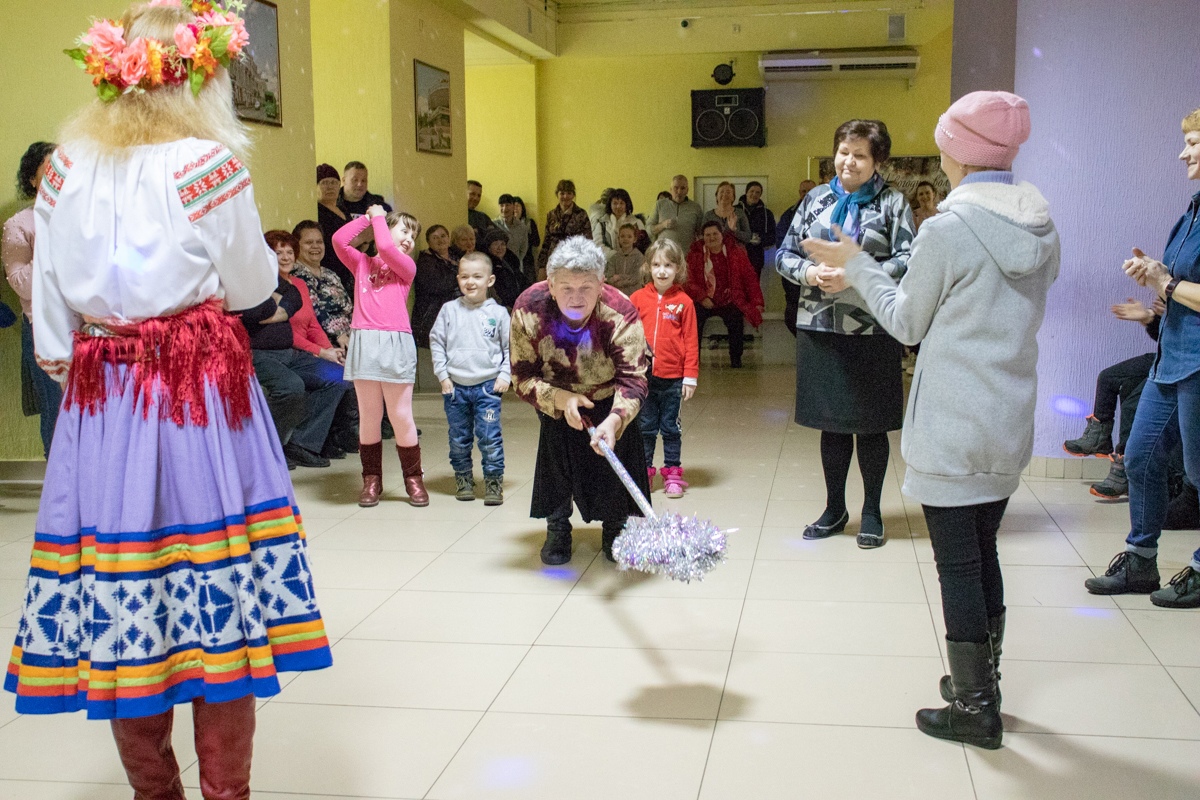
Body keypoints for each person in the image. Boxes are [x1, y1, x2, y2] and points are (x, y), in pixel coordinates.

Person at [2, 5, 333, 797]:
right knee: (221, 599)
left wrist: (88, 366)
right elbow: (252, 286)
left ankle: (156, 791)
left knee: (127, 604)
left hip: (104, 398)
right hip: (198, 393)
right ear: (199, 79)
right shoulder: (206, 165)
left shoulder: (64, 169)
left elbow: (50, 308)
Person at [803, 90, 1057, 750]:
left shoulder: (948, 230)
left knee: (959, 567)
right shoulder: (1040, 226)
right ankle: (983, 681)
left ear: (958, 152)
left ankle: (976, 708)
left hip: (953, 420)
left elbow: (907, 322)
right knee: (982, 549)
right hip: (1007, 416)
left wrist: (856, 265)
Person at [776, 119, 915, 549]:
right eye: (843, 152)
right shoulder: (816, 199)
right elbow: (783, 254)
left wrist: (856, 273)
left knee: (871, 426)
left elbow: (910, 259)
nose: (848, 162)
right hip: (820, 327)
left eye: (859, 155)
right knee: (832, 424)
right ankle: (834, 508)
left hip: (873, 328)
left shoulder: (892, 203)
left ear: (877, 161)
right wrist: (809, 272)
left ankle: (872, 511)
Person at [1084, 107, 1200, 609]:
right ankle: (1140, 561)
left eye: (1193, 143)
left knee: (1199, 475)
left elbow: (1177, 286)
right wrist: (1155, 294)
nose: (1183, 153)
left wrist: (1165, 281)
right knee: (1140, 458)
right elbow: (1178, 292)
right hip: (1171, 359)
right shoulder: (1191, 211)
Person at [511, 236, 651, 565]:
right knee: (556, 458)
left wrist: (615, 421)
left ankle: (615, 527)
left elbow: (634, 379)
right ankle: (557, 527)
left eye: (586, 287)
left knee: (614, 458)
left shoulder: (621, 312)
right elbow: (521, 377)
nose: (576, 297)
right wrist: (561, 399)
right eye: (566, 288)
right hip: (554, 395)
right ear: (551, 284)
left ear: (601, 284)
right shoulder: (528, 307)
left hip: (609, 395)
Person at [334, 206, 427, 507]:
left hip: (395, 343)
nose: (410, 239)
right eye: (404, 230)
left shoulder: (406, 266)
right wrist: (367, 218)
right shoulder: (361, 263)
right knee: (369, 416)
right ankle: (371, 480)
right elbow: (338, 240)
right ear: (385, 229)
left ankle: (414, 479)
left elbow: (386, 247)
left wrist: (377, 218)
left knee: (400, 415)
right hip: (365, 342)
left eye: (414, 235)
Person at [243, 232, 349, 469]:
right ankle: (269, 449)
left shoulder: (290, 284)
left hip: (290, 354)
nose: (284, 257)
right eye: (277, 252)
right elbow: (255, 314)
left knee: (338, 377)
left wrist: (326, 350)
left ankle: (300, 444)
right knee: (291, 387)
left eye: (289, 252)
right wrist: (278, 309)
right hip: (259, 355)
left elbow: (292, 302)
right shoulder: (252, 282)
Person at [431, 251, 511, 505]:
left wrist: (505, 374)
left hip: (488, 387)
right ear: (458, 279)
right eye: (464, 276)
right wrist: (443, 375)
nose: (470, 282)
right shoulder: (449, 310)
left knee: (489, 437)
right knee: (458, 438)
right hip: (455, 387)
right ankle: (463, 478)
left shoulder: (499, 313)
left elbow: (511, 347)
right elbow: (437, 342)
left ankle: (493, 480)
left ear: (490, 280)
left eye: (477, 276)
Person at [1062, 298, 1163, 499]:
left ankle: (1124, 468)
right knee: (1109, 377)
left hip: (1185, 363)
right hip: (1166, 356)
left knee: (1133, 404)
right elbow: (1167, 337)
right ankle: (1099, 439)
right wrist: (1150, 318)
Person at [2, 141, 62, 458]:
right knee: (56, 412)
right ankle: (57, 484)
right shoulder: (20, 224)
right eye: (50, 170)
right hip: (43, 330)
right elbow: (21, 285)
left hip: (89, 330)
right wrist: (51, 240)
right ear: (32, 179)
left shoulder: (86, 219)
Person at [630, 238, 698, 498]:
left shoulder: (685, 302)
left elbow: (691, 341)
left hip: (674, 380)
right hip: (644, 378)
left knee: (670, 428)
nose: (662, 271)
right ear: (648, 267)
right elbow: (627, 336)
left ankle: (672, 474)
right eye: (657, 265)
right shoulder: (636, 299)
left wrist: (690, 377)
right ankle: (644, 472)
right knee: (645, 428)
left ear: (678, 268)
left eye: (668, 265)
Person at [685, 221, 764, 368]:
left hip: (730, 299)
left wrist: (757, 302)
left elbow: (750, 279)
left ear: (722, 235)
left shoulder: (736, 253)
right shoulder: (694, 255)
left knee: (736, 319)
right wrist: (702, 297)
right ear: (703, 237)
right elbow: (688, 281)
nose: (711, 238)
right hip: (703, 300)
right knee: (693, 319)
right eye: (707, 235)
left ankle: (736, 359)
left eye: (715, 234)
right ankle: (692, 361)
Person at [776, 179, 819, 337]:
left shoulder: (827, 212)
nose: (806, 195)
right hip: (794, 272)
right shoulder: (789, 214)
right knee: (792, 314)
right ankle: (802, 341)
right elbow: (781, 243)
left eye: (810, 191)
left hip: (819, 271)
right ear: (799, 193)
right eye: (803, 191)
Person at [412, 224, 462, 349]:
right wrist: (461, 276)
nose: (440, 240)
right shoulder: (425, 262)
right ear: (429, 242)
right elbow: (438, 285)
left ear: (449, 238)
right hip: (434, 317)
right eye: (435, 238)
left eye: (443, 236)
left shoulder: (458, 256)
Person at [536, 179, 592, 279]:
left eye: (569, 193)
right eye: (562, 193)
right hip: (553, 262)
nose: (565, 196)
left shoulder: (581, 214)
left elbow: (588, 241)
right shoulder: (551, 215)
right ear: (557, 195)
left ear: (573, 195)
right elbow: (546, 242)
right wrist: (542, 266)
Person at [316, 162, 356, 294]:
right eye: (324, 182)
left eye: (334, 182)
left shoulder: (343, 210)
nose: (330, 187)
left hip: (349, 271)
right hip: (330, 271)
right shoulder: (318, 212)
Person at [648, 174, 704, 250]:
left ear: (687, 190)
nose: (679, 191)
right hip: (664, 254)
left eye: (683, 188)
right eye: (676, 188)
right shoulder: (659, 205)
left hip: (687, 254)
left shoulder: (696, 207)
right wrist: (663, 225)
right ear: (670, 189)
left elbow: (701, 234)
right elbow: (648, 229)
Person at [592, 188, 646, 258]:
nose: (618, 206)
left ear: (627, 205)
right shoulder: (602, 223)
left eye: (621, 203)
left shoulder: (637, 222)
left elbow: (644, 245)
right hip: (608, 261)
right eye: (615, 203)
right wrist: (615, 256)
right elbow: (597, 245)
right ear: (610, 205)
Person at [482, 226, 528, 310]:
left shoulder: (511, 262)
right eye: (495, 244)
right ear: (489, 247)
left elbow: (523, 282)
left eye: (502, 244)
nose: (499, 248)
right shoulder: (487, 266)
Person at [738, 180, 777, 278]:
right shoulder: (735, 210)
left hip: (756, 260)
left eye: (757, 192)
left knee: (753, 287)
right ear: (746, 192)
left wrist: (760, 239)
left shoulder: (767, 213)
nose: (754, 194)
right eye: (752, 191)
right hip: (736, 257)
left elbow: (773, 236)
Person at [703, 180, 754, 247]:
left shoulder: (740, 213)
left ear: (733, 197)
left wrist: (734, 230)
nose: (724, 194)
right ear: (716, 196)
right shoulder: (708, 215)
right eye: (722, 192)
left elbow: (748, 237)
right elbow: (702, 237)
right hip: (714, 252)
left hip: (737, 252)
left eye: (728, 192)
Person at [605, 223, 646, 295]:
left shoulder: (639, 257)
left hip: (634, 294)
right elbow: (610, 277)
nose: (625, 239)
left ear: (634, 239)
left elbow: (636, 277)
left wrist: (619, 277)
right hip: (617, 295)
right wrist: (614, 280)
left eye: (629, 236)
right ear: (618, 239)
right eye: (622, 236)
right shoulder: (614, 258)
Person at [494, 193, 531, 265]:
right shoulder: (493, 225)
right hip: (498, 264)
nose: (504, 208)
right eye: (502, 205)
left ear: (513, 206)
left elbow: (523, 249)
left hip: (515, 265)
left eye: (507, 205)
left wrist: (515, 261)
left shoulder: (522, 227)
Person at [513, 195, 540, 283]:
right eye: (513, 206)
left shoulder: (529, 222)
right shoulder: (506, 225)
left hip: (527, 260)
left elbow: (537, 242)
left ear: (522, 208)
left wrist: (524, 231)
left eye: (518, 206)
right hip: (512, 259)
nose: (515, 209)